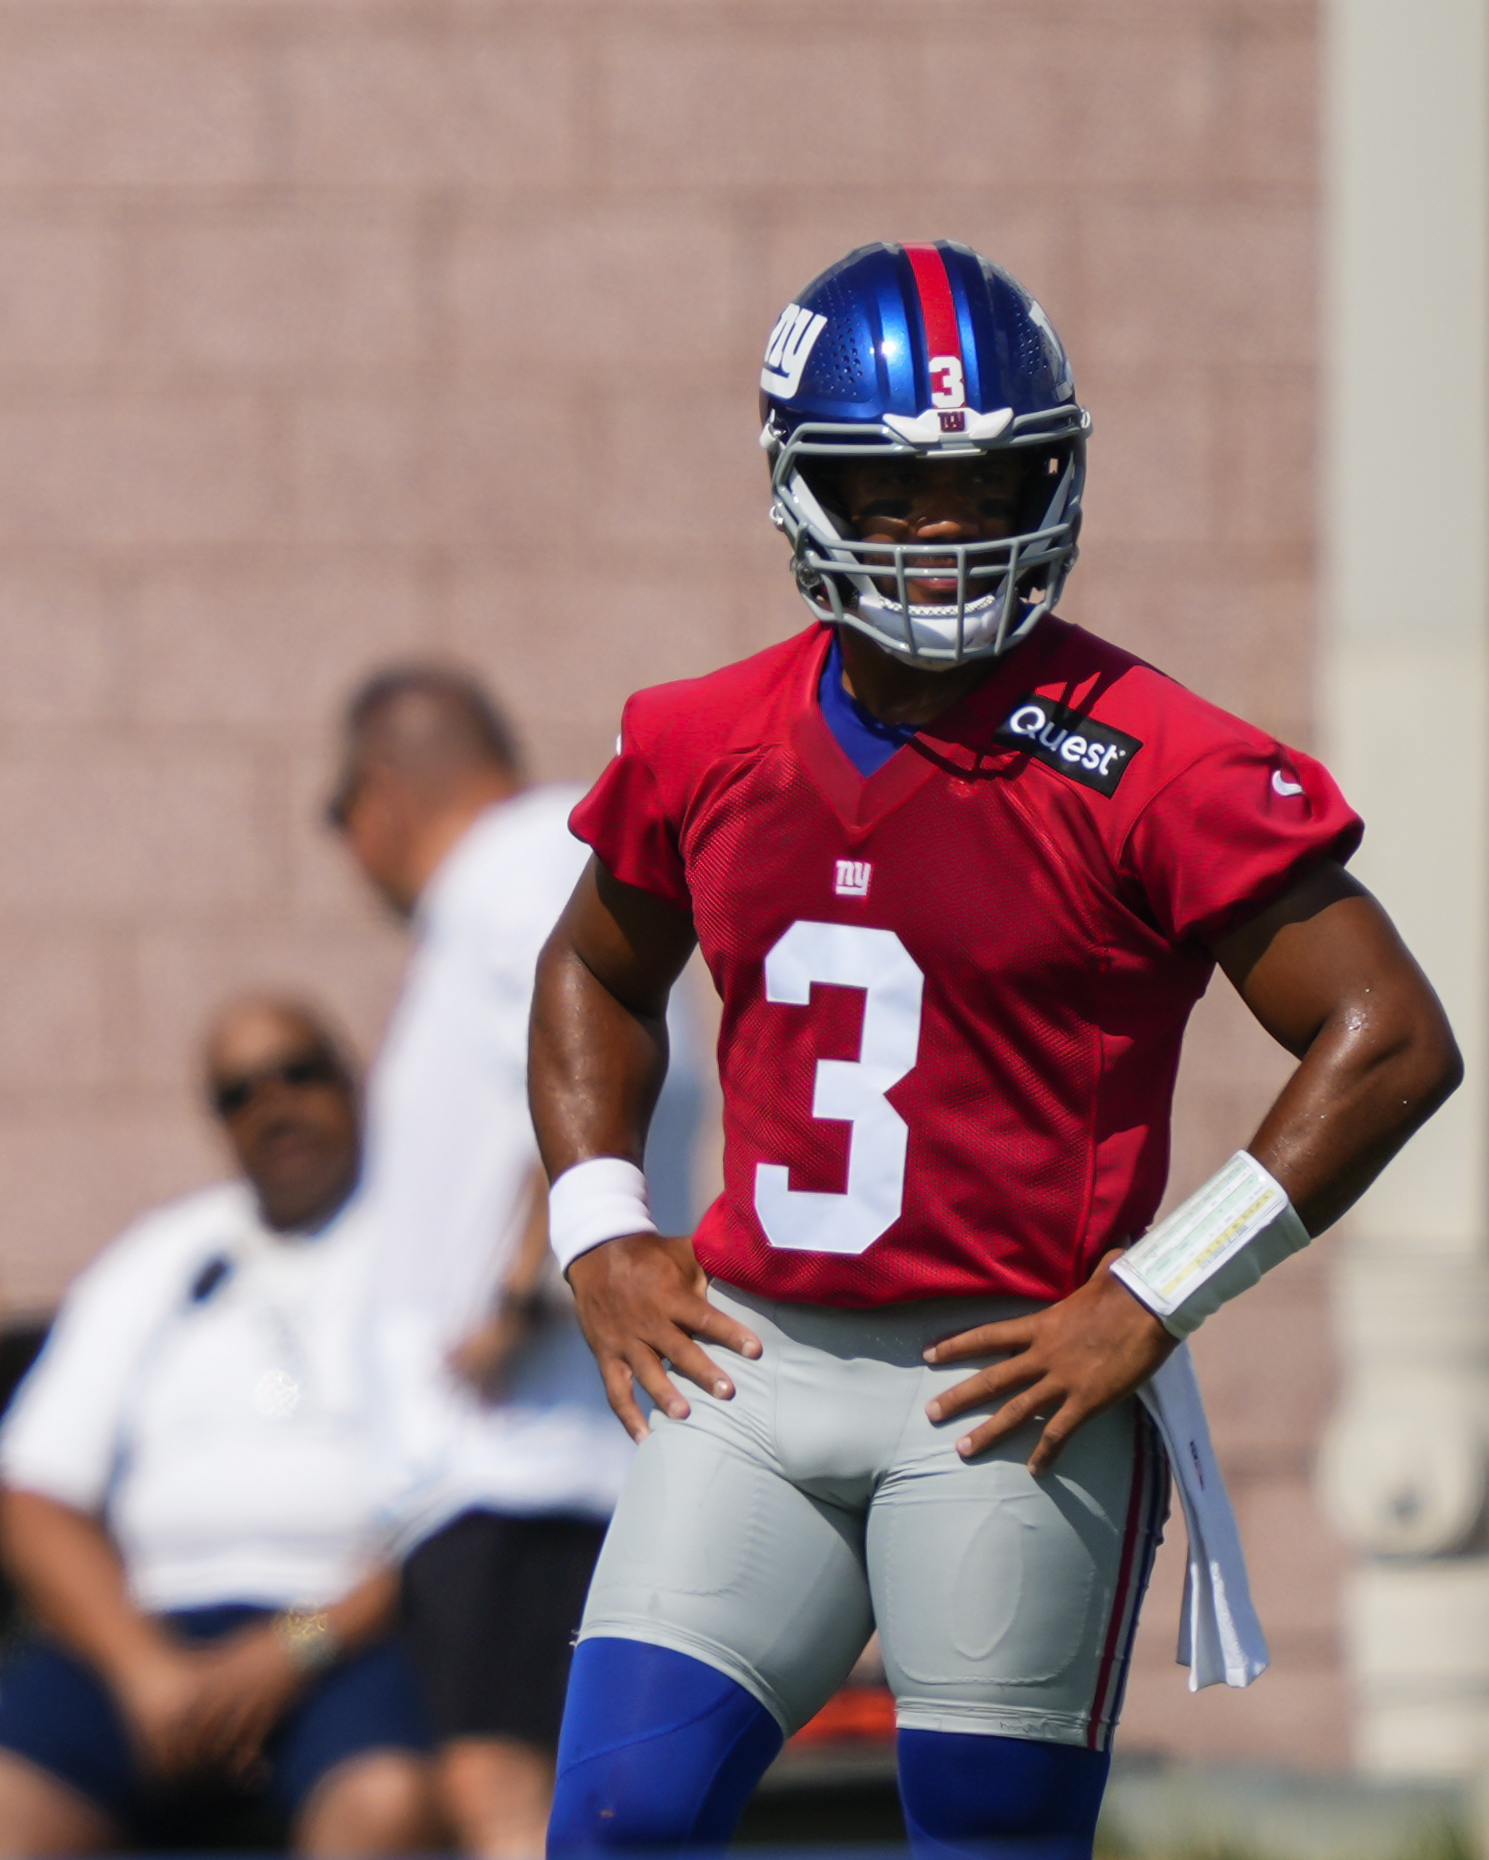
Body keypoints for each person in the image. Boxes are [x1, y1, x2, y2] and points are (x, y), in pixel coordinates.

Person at [532, 239, 1461, 1857]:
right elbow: (594, 970)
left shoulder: (1151, 757)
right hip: (750, 1368)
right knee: (618, 1818)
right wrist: (596, 1224)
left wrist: (1153, 1293)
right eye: (892, 495)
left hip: (1003, 1388)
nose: (944, 532)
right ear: (796, 487)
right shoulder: (701, 737)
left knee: (982, 1846)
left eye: (989, 482)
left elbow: (1385, 1039)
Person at [0, 997, 439, 1859]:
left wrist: (289, 1650)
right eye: (239, 1092)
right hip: (151, 1637)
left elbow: (462, 1508)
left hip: (346, 1638)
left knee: (385, 1806)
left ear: (352, 1082)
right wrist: (145, 1671)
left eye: (298, 1072)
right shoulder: (161, 1256)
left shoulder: (432, 1252)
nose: (274, 1104)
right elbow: (34, 1494)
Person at [326, 667, 697, 1860]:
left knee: (506, 1786)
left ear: (379, 791)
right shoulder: (523, 875)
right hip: (520, 1449)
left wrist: (523, 1284)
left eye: (336, 814)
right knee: (540, 1787)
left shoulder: (514, 866)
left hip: (527, 1447)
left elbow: (606, 1069)